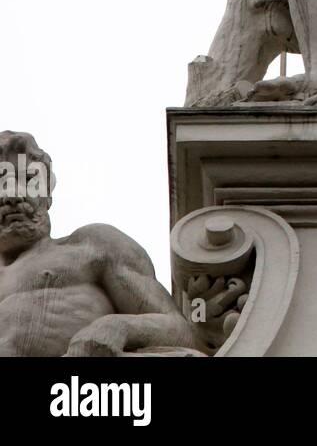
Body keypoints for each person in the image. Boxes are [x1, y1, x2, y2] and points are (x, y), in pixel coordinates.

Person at [0, 131, 197, 356]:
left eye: (28, 181)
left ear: (47, 196)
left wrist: (116, 327)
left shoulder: (92, 245)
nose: (13, 196)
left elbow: (179, 330)